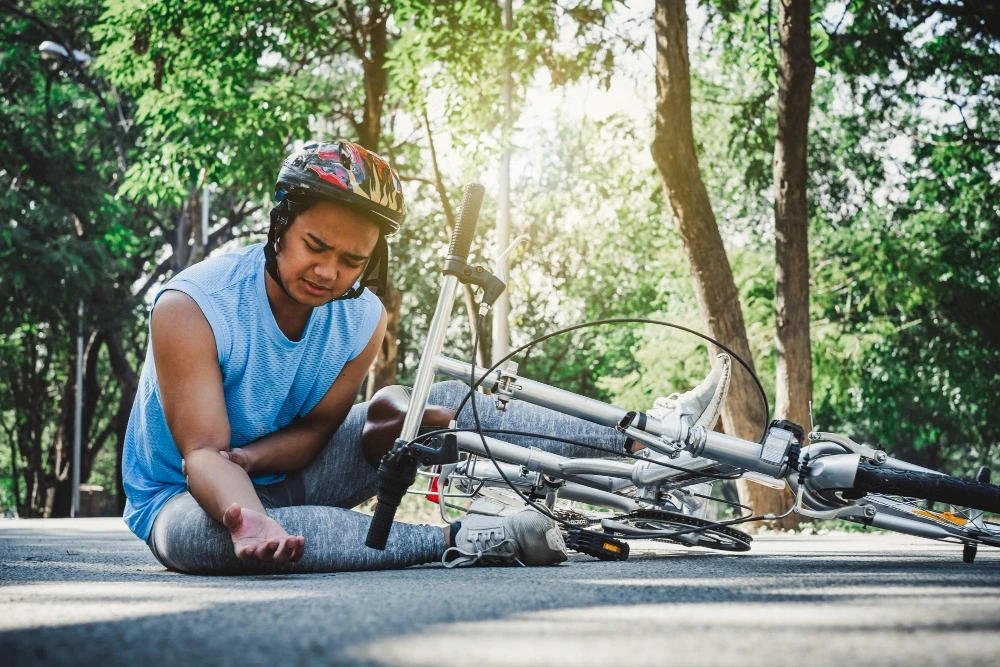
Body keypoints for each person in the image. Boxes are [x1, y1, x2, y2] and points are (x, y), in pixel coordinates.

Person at [121, 141, 728, 574]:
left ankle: (648, 440)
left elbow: (314, 434)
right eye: (315, 246)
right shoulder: (191, 306)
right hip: (186, 497)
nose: (328, 272)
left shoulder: (363, 318)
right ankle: (468, 539)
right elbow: (203, 455)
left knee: (434, 403)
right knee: (203, 541)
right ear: (280, 221)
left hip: (289, 472)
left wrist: (253, 458)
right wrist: (246, 513)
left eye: (352, 261)